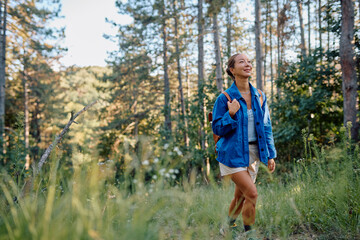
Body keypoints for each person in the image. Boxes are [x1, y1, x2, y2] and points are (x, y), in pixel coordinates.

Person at [211, 53, 276, 237]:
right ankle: (250, 233)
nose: (247, 64)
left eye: (249, 61)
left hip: (254, 153)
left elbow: (266, 127)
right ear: (232, 70)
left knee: (240, 197)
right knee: (252, 194)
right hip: (232, 154)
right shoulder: (224, 98)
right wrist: (230, 115)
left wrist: (271, 154)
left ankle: (226, 227)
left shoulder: (260, 96)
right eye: (242, 62)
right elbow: (216, 127)